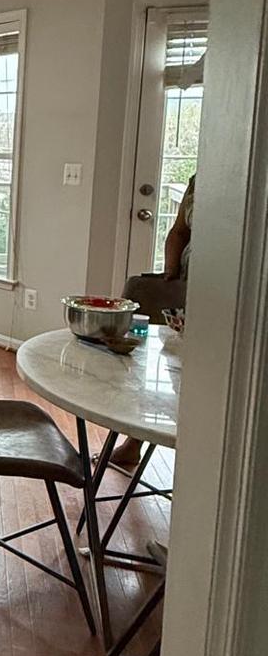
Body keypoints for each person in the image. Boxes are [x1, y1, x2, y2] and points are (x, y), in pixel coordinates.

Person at [111, 174, 194, 467]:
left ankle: (198, 454)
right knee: (171, 365)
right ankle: (134, 440)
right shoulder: (200, 180)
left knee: (197, 376)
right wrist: (171, 269)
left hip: (228, 296)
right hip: (185, 287)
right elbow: (179, 232)